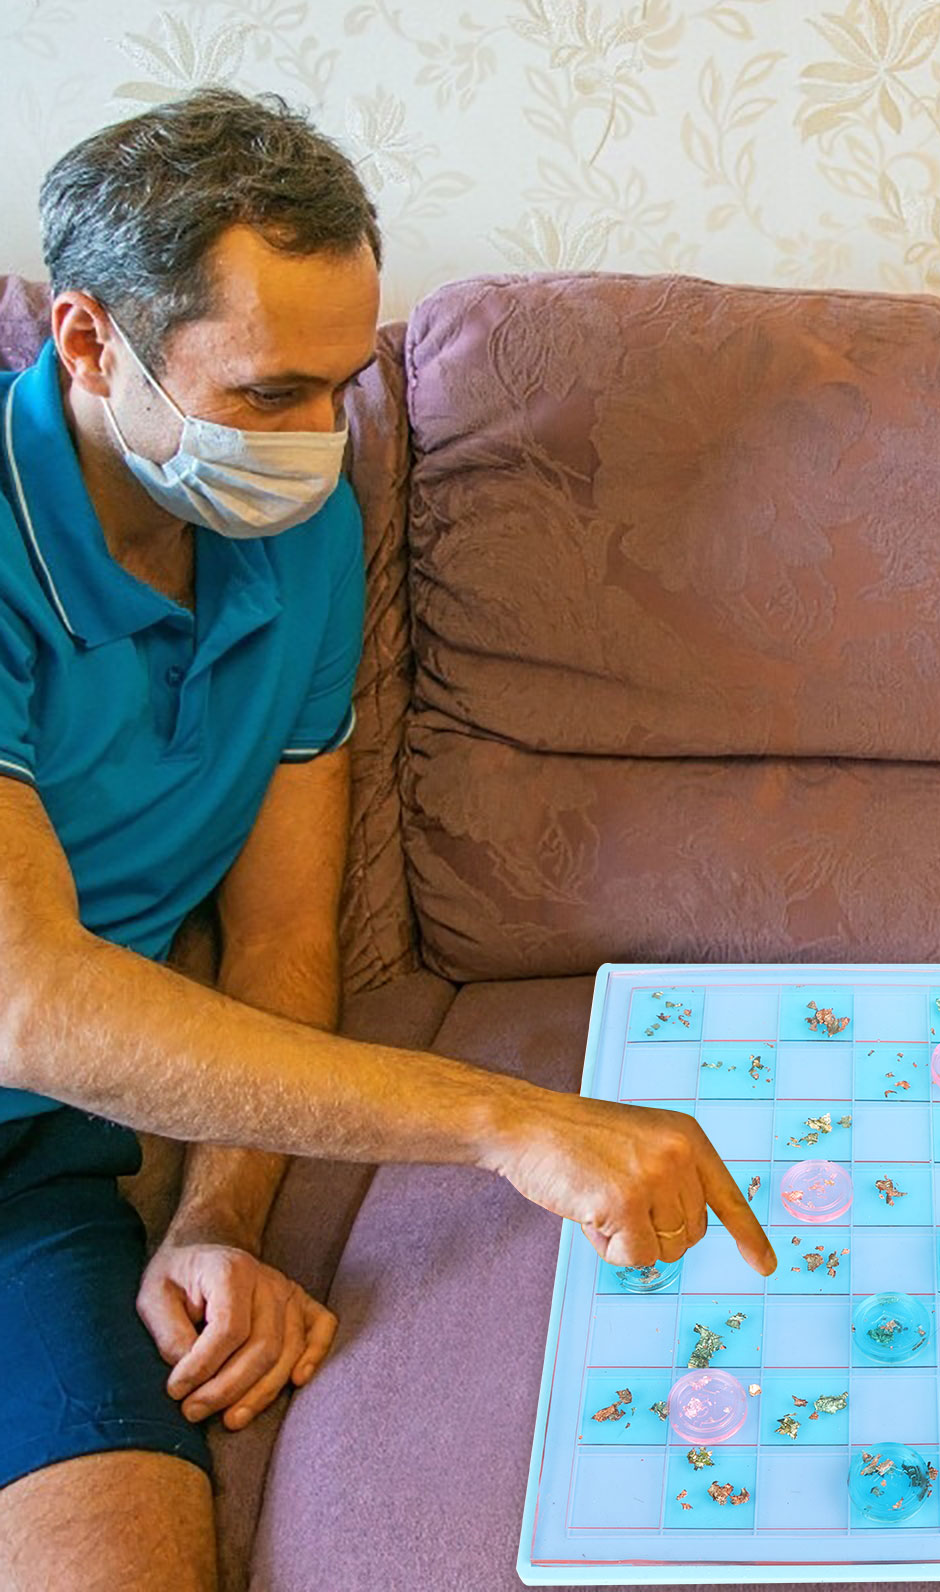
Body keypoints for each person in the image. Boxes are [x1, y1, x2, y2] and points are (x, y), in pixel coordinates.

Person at [0, 88, 774, 1592]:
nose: (320, 443)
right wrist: (511, 1122)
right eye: (267, 395)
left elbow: (287, 928)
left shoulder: (297, 535)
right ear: (88, 342)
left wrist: (221, 1219)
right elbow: (27, 999)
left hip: (40, 1177)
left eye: (343, 387)